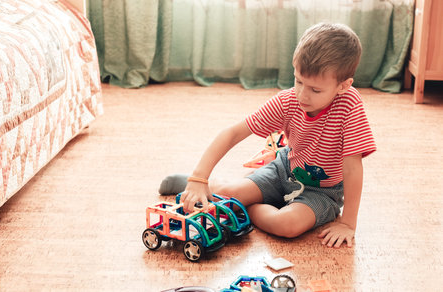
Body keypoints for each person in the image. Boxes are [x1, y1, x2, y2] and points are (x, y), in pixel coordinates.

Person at [159, 22, 376, 248]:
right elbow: (233, 133)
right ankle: (202, 185)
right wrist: (198, 177)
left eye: (315, 89)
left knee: (287, 224)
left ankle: (244, 204)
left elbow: (352, 167)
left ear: (343, 86)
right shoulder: (288, 100)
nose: (302, 94)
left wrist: (348, 223)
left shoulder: (349, 104)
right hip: (283, 170)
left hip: (323, 192)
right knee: (228, 194)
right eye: (298, 81)